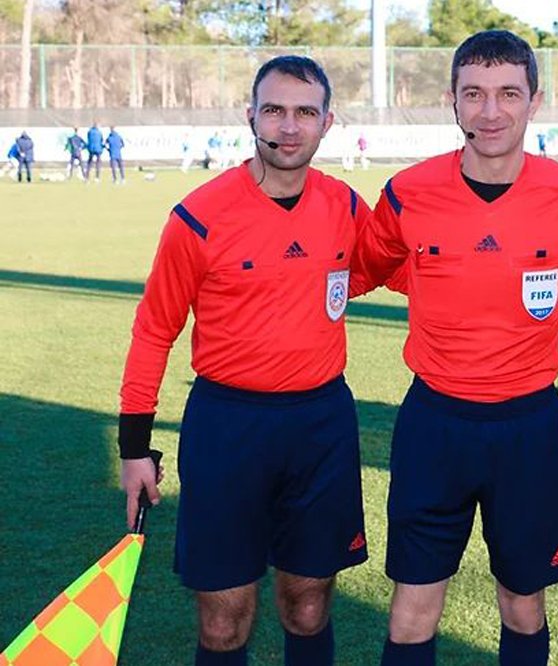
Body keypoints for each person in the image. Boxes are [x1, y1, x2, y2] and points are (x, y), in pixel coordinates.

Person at [351, 29, 558, 666]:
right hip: (434, 423)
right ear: (452, 101)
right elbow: (359, 270)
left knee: (523, 604)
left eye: (508, 93)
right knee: (412, 608)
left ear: (535, 101)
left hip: (528, 426)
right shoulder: (408, 192)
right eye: (473, 94)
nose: (490, 111)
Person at [118, 55, 371, 666]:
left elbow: (390, 270)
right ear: (250, 115)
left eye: (305, 112)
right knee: (224, 621)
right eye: (274, 110)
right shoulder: (198, 216)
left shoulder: (345, 206)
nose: (289, 126)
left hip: (321, 426)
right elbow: (155, 329)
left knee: (308, 606)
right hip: (227, 427)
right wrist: (133, 448)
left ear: (327, 122)